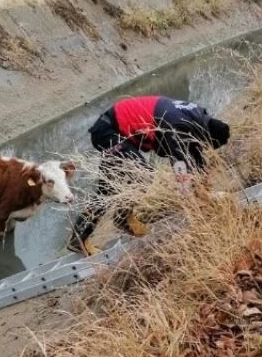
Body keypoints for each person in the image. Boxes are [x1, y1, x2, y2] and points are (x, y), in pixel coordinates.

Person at [69, 95, 230, 254]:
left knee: (107, 190)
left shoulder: (199, 116)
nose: (204, 146)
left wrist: (204, 191)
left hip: (115, 130)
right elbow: (179, 165)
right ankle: (108, 224)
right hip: (108, 132)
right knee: (143, 176)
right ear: (206, 136)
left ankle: (118, 220)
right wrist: (190, 203)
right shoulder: (177, 124)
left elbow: (195, 154)